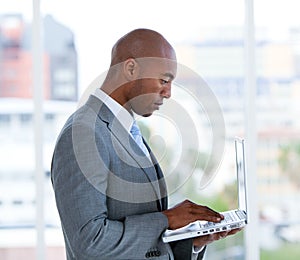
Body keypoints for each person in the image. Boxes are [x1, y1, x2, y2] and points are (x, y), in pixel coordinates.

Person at [51, 28, 241, 260]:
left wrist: (191, 241)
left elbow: (145, 245)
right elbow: (90, 243)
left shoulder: (128, 129)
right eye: (164, 80)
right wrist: (166, 220)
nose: (168, 93)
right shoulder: (83, 133)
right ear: (131, 69)